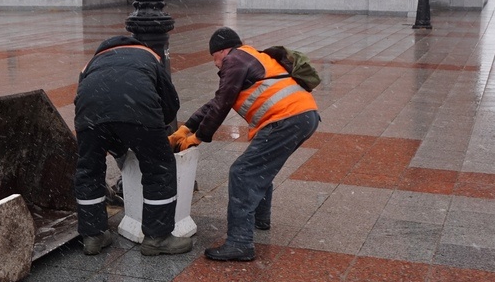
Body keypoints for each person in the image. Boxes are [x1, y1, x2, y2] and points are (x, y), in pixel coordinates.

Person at [170, 27, 320, 262]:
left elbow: (222, 103)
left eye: (214, 57)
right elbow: (216, 101)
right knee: (259, 168)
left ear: (222, 51)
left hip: (286, 119)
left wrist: (199, 137)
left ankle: (240, 242)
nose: (215, 64)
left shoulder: (235, 59)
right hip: (302, 116)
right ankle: (260, 219)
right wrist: (186, 128)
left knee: (243, 172)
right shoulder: (251, 57)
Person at [73, 35, 193, 256]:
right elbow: (170, 102)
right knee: (159, 167)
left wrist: (111, 138)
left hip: (89, 115)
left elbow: (82, 97)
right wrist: (156, 130)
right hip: (139, 110)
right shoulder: (148, 55)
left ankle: (93, 236)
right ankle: (157, 238)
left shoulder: (92, 62)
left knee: (88, 170)